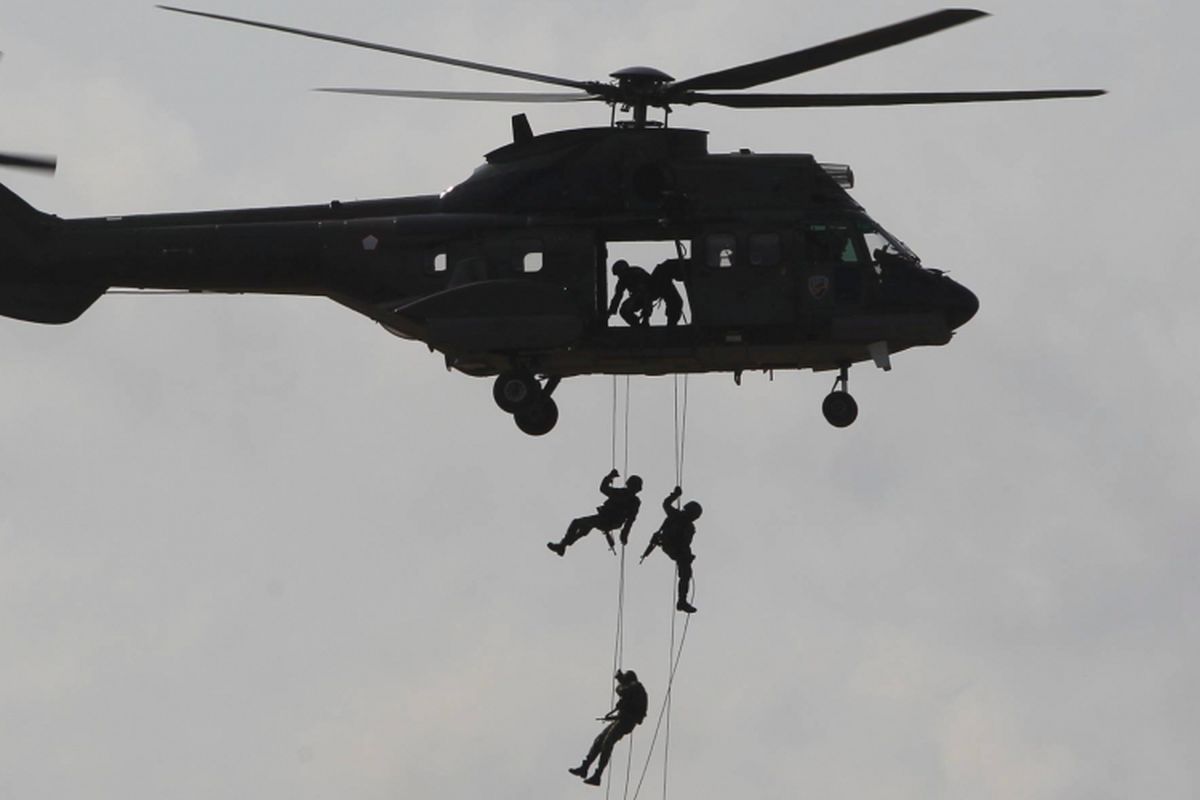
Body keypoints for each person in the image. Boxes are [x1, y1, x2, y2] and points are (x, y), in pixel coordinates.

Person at [567, 669, 648, 786]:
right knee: (599, 740)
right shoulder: (633, 689)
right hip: (622, 720)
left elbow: (622, 691)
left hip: (627, 722)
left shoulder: (636, 686)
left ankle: (597, 775)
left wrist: (620, 682)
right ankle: (585, 767)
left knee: (607, 742)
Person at [548, 469, 643, 556]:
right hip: (605, 519)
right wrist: (609, 477)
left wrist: (624, 534)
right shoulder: (626, 495)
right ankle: (563, 545)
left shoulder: (630, 498)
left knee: (578, 523)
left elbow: (630, 519)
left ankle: (563, 545)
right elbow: (604, 489)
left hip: (608, 520)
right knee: (584, 527)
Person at [640, 486, 703, 613]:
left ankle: (682, 601)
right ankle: (682, 601)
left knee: (686, 575)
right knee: (685, 575)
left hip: (677, 550)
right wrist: (675, 495)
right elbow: (666, 504)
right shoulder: (677, 516)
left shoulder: (688, 525)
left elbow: (687, 542)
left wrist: (675, 495)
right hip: (673, 547)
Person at [607, 259, 652, 327]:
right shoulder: (622, 281)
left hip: (648, 295)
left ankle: (645, 321)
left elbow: (647, 289)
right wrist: (611, 311)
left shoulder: (637, 272)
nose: (619, 276)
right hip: (637, 297)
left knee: (646, 298)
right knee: (624, 310)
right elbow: (618, 296)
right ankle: (635, 324)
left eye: (619, 273)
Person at [647, 258, 686, 326]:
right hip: (663, 273)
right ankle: (671, 324)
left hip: (663, 273)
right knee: (675, 302)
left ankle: (671, 324)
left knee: (675, 302)